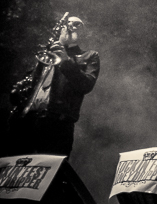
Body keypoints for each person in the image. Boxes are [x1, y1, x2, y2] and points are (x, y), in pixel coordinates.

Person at [7, 16, 100, 157]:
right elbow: (30, 83)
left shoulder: (90, 56)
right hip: (26, 121)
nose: (72, 26)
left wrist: (66, 61)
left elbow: (86, 85)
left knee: (50, 167)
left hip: (57, 124)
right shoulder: (45, 54)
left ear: (83, 33)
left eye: (77, 24)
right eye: (68, 23)